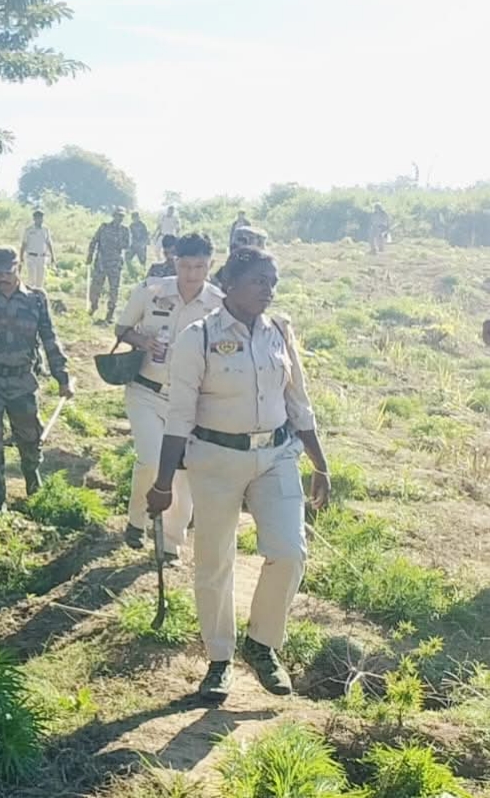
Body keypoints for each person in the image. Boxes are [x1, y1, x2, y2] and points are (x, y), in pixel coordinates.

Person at [147, 246, 332, 705]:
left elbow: (298, 401)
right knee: (215, 561)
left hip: (276, 455)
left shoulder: (279, 331)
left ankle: (262, 643)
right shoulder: (198, 337)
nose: (268, 290)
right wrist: (163, 483)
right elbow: (178, 415)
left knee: (289, 553)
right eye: (258, 281)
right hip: (215, 459)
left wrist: (320, 464)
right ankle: (219, 659)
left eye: (273, 282)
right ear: (228, 284)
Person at [114, 233, 225, 561]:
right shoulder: (151, 291)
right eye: (186, 266)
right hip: (146, 390)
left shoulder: (219, 304)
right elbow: (121, 329)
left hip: (190, 401)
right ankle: (137, 520)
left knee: (183, 470)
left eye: (200, 267)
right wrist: (143, 342)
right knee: (151, 460)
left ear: (210, 264)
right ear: (175, 261)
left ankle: (171, 542)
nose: (192, 274)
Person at [0, 248, 73, 511]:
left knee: (30, 436)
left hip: (22, 381)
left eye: (7, 272)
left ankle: (32, 478)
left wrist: (62, 377)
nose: (2, 277)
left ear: (17, 268)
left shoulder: (35, 300)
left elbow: (49, 339)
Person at [88, 207, 132, 324]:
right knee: (96, 286)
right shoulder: (104, 227)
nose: (119, 218)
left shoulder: (125, 230)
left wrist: (117, 242)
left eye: (122, 216)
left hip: (115, 263)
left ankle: (110, 312)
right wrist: (90, 255)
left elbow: (127, 245)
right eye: (118, 215)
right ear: (113, 216)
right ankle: (93, 306)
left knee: (114, 289)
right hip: (101, 262)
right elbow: (94, 241)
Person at [20, 209, 56, 290]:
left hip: (42, 257)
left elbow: (49, 243)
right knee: (32, 278)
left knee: (40, 279)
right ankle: (31, 294)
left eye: (41, 218)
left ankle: (39, 294)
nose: (40, 220)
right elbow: (24, 244)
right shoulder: (29, 230)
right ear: (34, 219)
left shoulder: (45, 230)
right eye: (38, 218)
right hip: (31, 256)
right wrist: (21, 256)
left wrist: (52, 256)